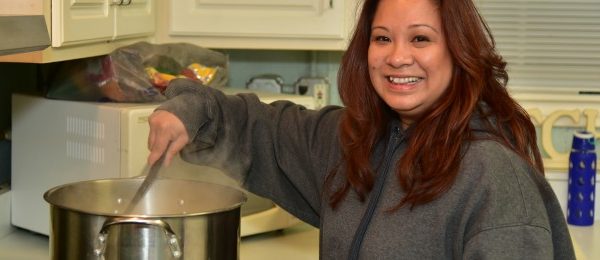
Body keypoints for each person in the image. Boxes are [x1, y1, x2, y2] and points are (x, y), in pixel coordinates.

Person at [147, 0, 576, 259]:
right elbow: (260, 128)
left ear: (458, 51)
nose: (397, 57)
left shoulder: (494, 178)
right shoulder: (352, 143)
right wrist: (189, 111)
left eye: (421, 39)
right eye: (382, 38)